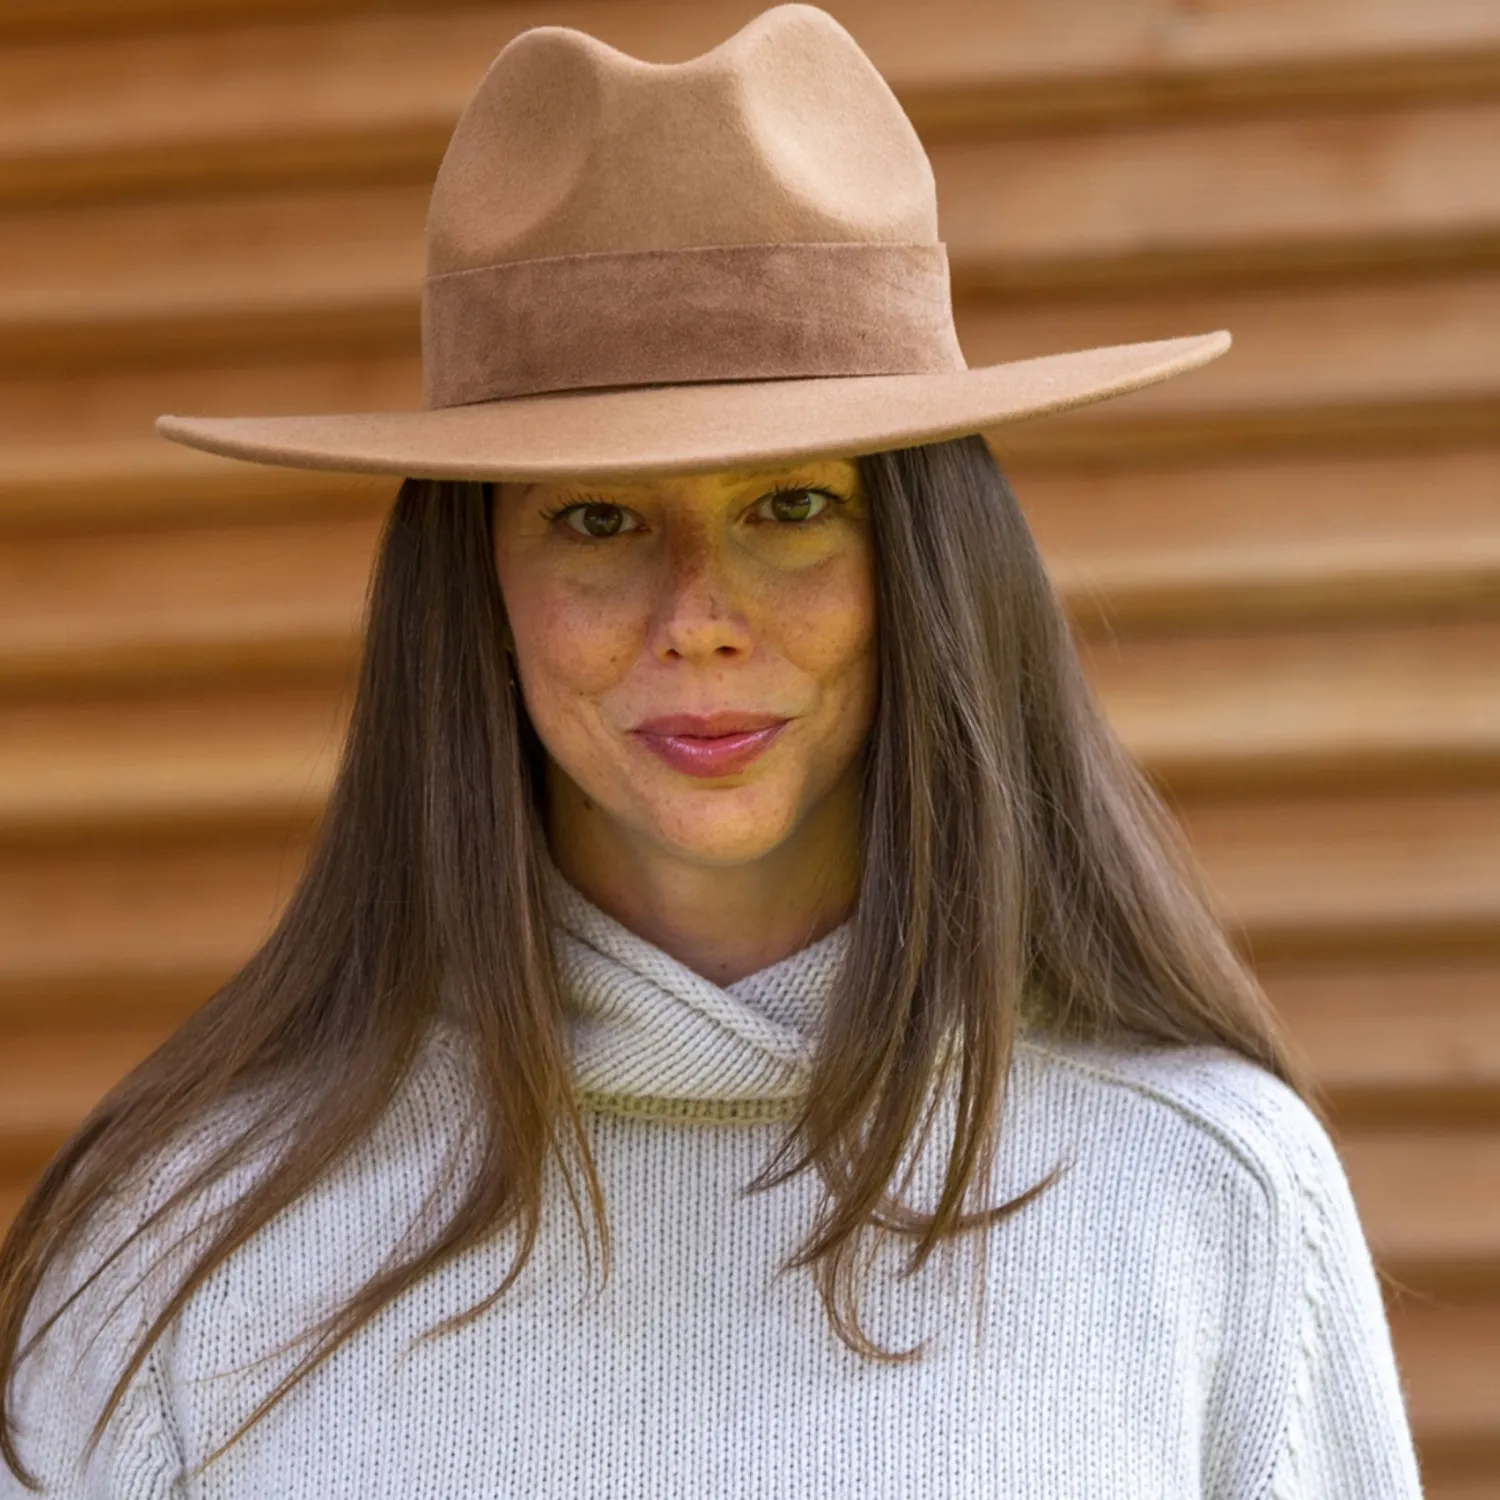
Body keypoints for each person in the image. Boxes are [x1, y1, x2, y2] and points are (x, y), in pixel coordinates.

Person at [0, 5, 1424, 1497]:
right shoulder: (183, 1243)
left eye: (792, 506)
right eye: (598, 519)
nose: (701, 619)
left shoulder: (1207, 1194)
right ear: (469, 585)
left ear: (933, 567)